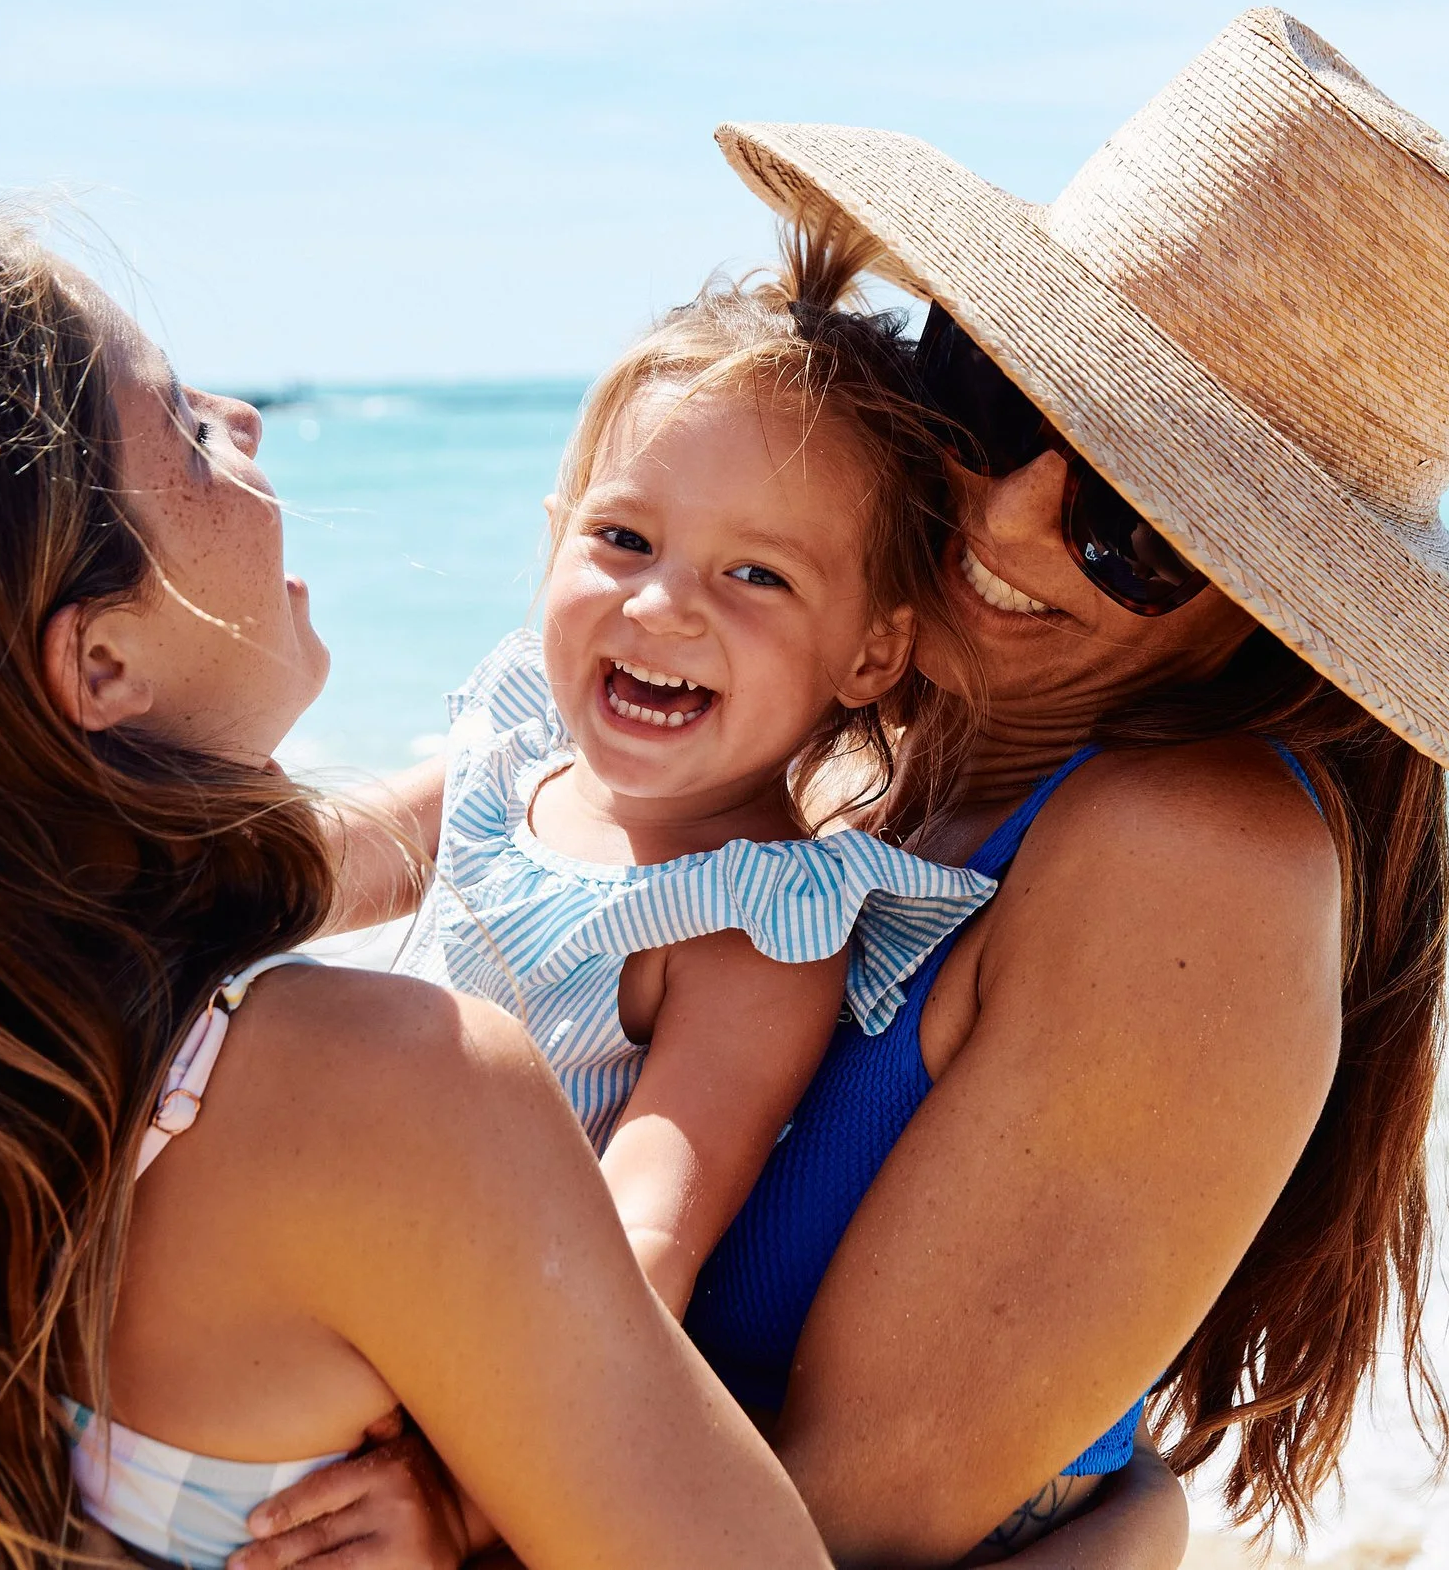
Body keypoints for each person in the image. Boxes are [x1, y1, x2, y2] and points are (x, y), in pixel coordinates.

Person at [245, 6, 1449, 1568]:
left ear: (1275, 599)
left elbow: (864, 1518)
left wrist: (472, 1515)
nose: (1006, 519)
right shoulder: (856, 732)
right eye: (998, 396)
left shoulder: (1195, 850)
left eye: (1134, 519)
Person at [0, 211, 831, 1570]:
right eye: (181, 426)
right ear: (102, 664)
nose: (242, 412)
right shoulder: (386, 1095)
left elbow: (408, 845)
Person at [324, 243, 997, 1319]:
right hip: (307, 1238)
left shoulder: (749, 929)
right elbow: (285, 865)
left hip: (455, 1338)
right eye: (624, 537)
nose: (659, 605)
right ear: (555, 540)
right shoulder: (512, 750)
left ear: (872, 653)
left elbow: (643, 1244)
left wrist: (462, 1475)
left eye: (757, 574)